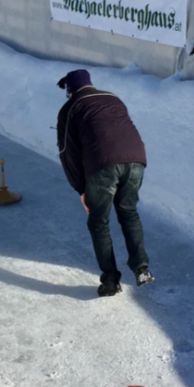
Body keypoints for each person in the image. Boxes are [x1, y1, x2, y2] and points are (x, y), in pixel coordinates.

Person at [56, 69, 154, 297]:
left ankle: (110, 280)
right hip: (136, 159)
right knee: (128, 212)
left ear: (70, 90)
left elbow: (67, 152)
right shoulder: (112, 98)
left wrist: (81, 189)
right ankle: (141, 268)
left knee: (99, 222)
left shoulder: (70, 109)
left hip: (103, 166)